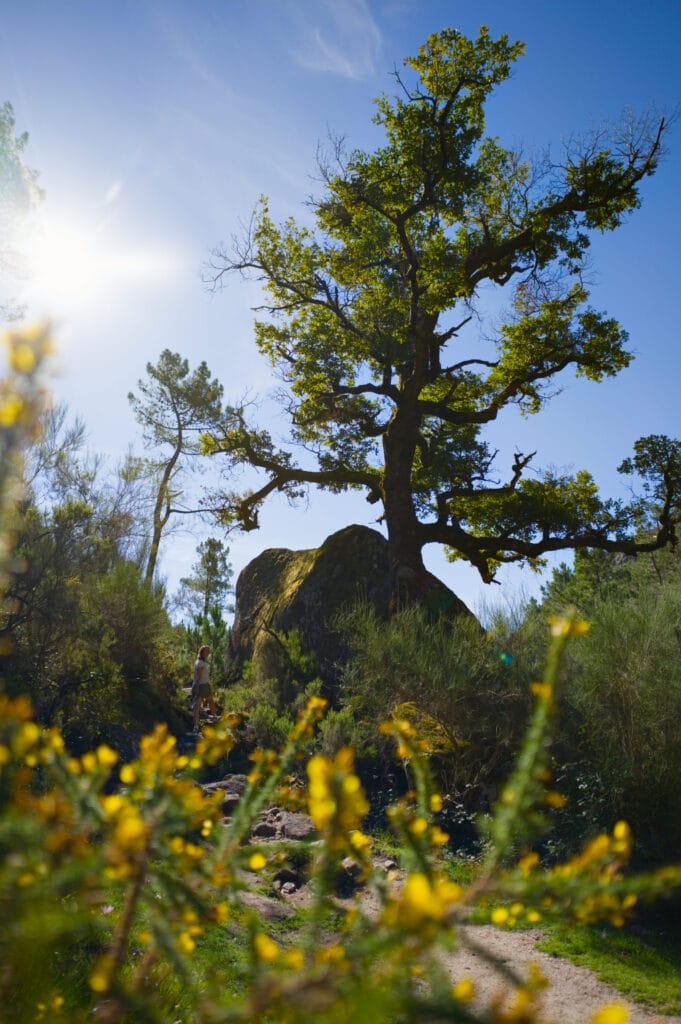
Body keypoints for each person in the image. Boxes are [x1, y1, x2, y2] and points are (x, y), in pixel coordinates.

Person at [192, 644, 217, 733]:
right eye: (206, 651)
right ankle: (196, 726)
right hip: (201, 686)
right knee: (197, 707)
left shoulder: (200, 661)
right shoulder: (200, 663)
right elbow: (198, 677)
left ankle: (214, 717)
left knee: (210, 701)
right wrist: (197, 688)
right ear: (202, 652)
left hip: (205, 685)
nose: (208, 653)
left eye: (208, 651)